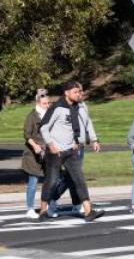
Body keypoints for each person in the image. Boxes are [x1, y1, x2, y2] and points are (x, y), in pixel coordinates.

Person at [38, 81, 104, 222]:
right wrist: (50, 144)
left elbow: (82, 124)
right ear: (66, 93)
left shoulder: (79, 107)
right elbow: (43, 127)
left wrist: (91, 140)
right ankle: (43, 210)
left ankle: (88, 211)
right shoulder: (58, 107)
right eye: (75, 91)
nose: (78, 94)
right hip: (56, 152)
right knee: (52, 181)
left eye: (79, 92)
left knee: (79, 179)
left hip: (70, 151)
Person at [21, 88, 50, 220]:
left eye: (48, 103)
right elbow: (27, 135)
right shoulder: (32, 116)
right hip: (33, 155)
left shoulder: (49, 114)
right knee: (33, 182)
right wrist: (35, 146)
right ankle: (30, 208)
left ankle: (48, 206)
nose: (47, 105)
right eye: (44, 103)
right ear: (38, 103)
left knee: (51, 180)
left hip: (48, 152)